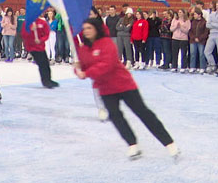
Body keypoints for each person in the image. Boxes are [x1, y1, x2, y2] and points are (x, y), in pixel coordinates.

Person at [74, 17, 180, 161]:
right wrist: (78, 68)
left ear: (96, 29)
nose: (86, 31)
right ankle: (132, 144)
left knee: (143, 113)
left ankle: (169, 143)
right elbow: (84, 66)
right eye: (84, 28)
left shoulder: (106, 43)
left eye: (89, 28)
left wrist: (86, 73)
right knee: (116, 116)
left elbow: (107, 65)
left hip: (123, 84)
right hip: (105, 89)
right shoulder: (84, 49)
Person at [21, 14, 58, 88]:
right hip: (32, 47)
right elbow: (23, 35)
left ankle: (48, 79)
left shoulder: (42, 22)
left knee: (46, 64)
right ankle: (45, 81)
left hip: (41, 47)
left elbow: (47, 34)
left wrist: (41, 40)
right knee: (41, 64)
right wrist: (30, 30)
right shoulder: (27, 23)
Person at [188, 8, 208, 74]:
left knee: (202, 54)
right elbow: (190, 31)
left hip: (201, 41)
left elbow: (206, 32)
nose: (194, 15)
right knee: (192, 54)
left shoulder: (204, 22)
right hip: (193, 40)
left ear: (199, 15)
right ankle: (192, 67)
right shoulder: (192, 22)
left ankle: (202, 67)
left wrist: (200, 38)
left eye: (195, 14)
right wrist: (194, 37)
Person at [170, 9, 190, 73]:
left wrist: (181, 27)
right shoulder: (174, 19)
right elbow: (171, 29)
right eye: (178, 12)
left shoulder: (187, 20)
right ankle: (174, 66)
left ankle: (183, 66)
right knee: (174, 53)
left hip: (183, 39)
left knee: (183, 53)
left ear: (184, 13)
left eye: (180, 12)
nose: (179, 13)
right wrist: (176, 26)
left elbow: (187, 31)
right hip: (175, 38)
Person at [205, 2, 218, 74]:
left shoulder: (211, 16)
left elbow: (210, 24)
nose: (217, 7)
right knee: (207, 51)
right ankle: (212, 65)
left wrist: (212, 24)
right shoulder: (211, 15)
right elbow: (207, 25)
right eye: (216, 5)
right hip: (211, 35)